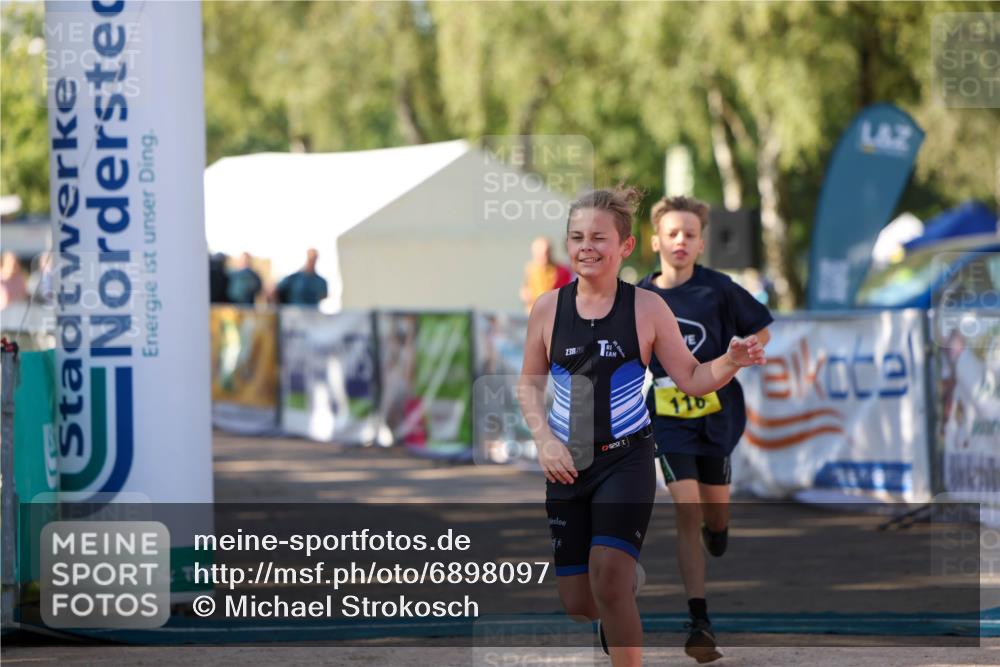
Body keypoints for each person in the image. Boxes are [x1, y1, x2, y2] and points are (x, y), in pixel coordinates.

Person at [518, 188, 765, 667]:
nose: (586, 247)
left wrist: (731, 361)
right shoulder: (547, 309)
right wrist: (544, 440)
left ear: (625, 246)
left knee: (608, 580)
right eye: (577, 237)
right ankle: (626, 583)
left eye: (599, 237)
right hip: (567, 465)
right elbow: (529, 385)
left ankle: (620, 588)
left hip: (626, 460)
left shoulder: (648, 308)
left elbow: (692, 377)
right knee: (580, 604)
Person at [638, 195, 773, 664]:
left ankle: (720, 529)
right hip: (667, 418)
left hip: (718, 414)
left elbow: (762, 328)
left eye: (690, 234)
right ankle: (699, 618)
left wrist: (744, 351)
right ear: (655, 241)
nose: (680, 240)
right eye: (672, 233)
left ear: (701, 244)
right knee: (686, 509)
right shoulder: (640, 297)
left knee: (714, 516)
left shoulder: (720, 289)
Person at [520, 236, 573, 312]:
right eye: (539, 253)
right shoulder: (531, 269)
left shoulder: (562, 271)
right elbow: (525, 291)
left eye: (545, 253)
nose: (542, 256)